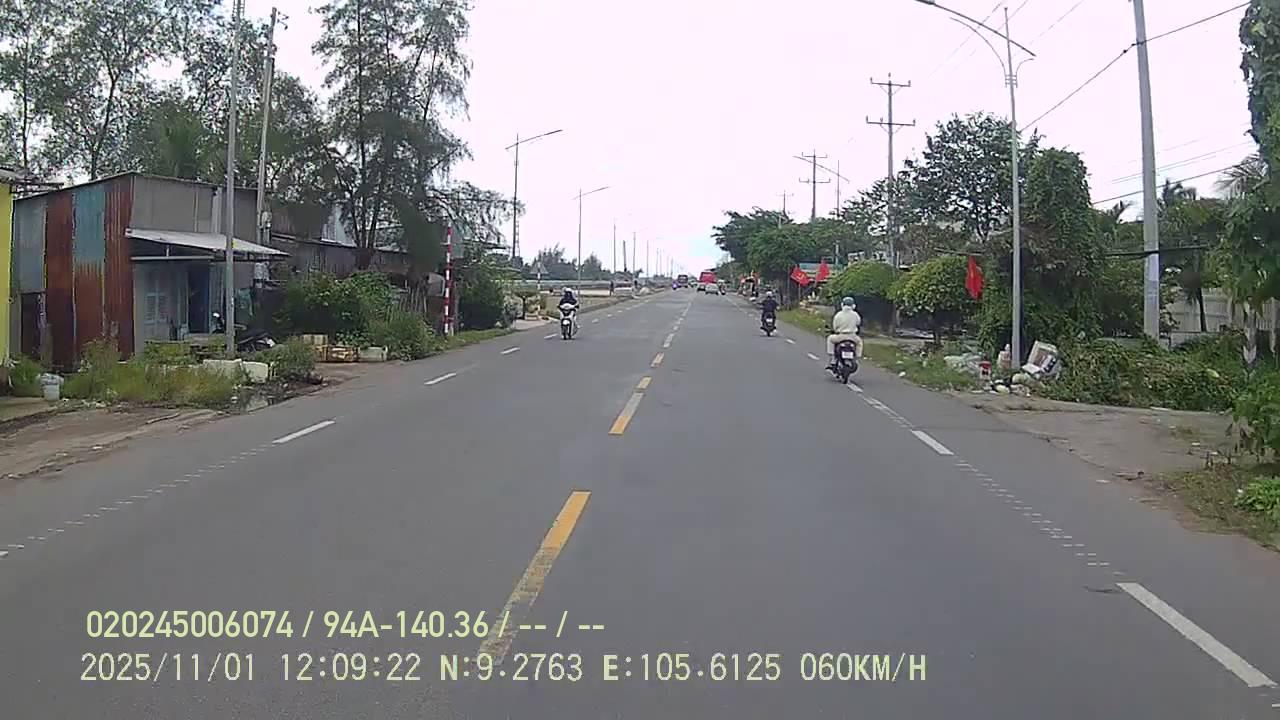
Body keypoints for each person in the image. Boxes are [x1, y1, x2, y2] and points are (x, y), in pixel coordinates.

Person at [827, 296, 863, 368]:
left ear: (842, 305)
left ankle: (833, 359)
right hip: (852, 336)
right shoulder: (855, 315)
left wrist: (836, 330)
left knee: (830, 339)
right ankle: (856, 359)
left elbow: (835, 326)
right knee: (859, 343)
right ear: (853, 305)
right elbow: (858, 323)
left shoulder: (838, 315)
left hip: (841, 336)